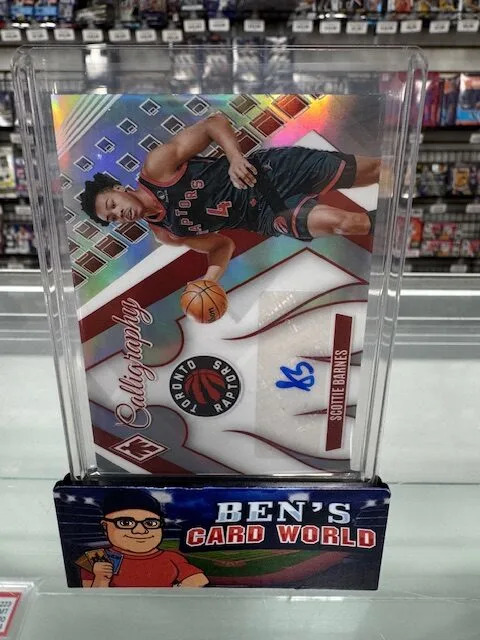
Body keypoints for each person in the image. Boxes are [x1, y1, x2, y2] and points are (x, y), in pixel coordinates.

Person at [81, 112, 380, 283]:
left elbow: (214, 123)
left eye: (112, 205)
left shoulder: (157, 168)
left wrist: (235, 157)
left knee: (379, 171)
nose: (119, 215)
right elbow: (221, 245)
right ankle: (398, 223)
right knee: (346, 224)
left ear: (119, 189)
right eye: (112, 218)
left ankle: (404, 188)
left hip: (268, 172)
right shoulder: (167, 233)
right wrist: (209, 281)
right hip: (265, 215)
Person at [77, 489, 208, 588]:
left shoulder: (172, 558)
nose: (140, 530)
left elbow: (199, 580)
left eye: (150, 523)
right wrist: (101, 579)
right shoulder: (95, 557)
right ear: (105, 526)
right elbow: (92, 600)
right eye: (125, 523)